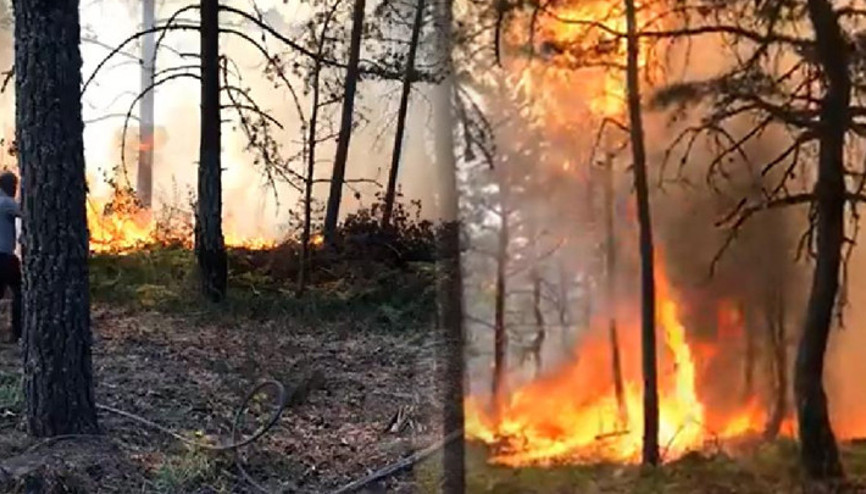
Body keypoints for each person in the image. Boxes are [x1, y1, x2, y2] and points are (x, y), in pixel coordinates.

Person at [0, 171, 21, 343]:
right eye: (14, 186)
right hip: (4, 257)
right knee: (20, 292)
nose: (15, 190)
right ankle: (17, 332)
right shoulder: (6, 202)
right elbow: (26, 213)